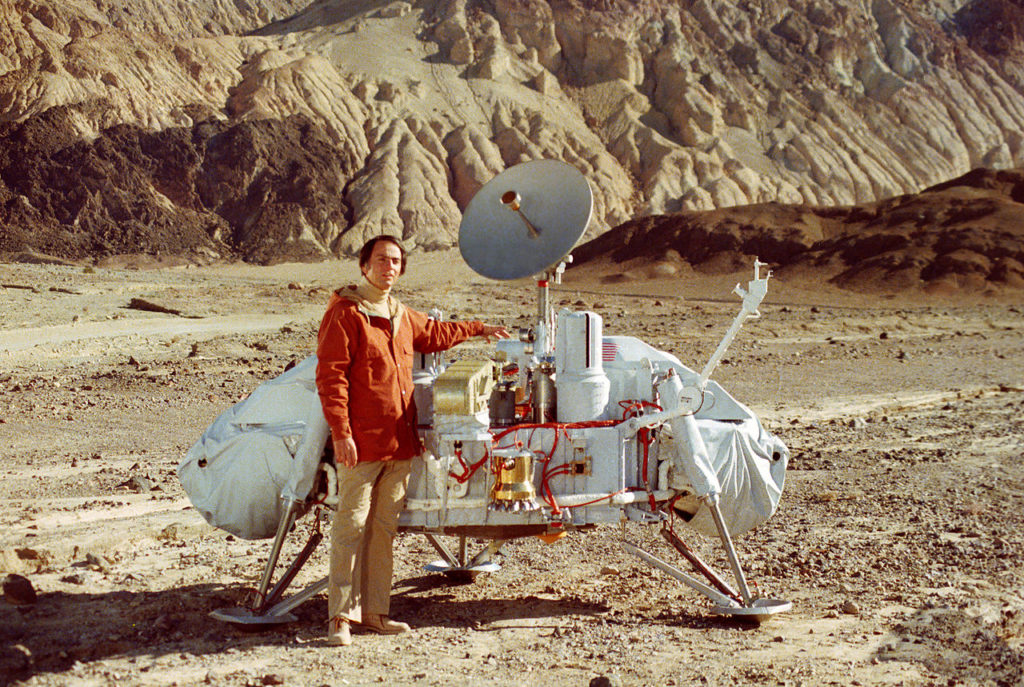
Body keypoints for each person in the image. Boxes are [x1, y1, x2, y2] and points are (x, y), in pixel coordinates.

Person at [315, 234, 509, 646]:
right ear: (363, 266)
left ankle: (376, 614)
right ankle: (340, 618)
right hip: (361, 444)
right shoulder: (346, 313)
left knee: (383, 529)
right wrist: (341, 434)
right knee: (351, 527)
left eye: (397, 261)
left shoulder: (401, 314)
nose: (389, 266)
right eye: (382, 259)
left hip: (400, 444)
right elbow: (331, 380)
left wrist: (479, 329)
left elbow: (437, 333)